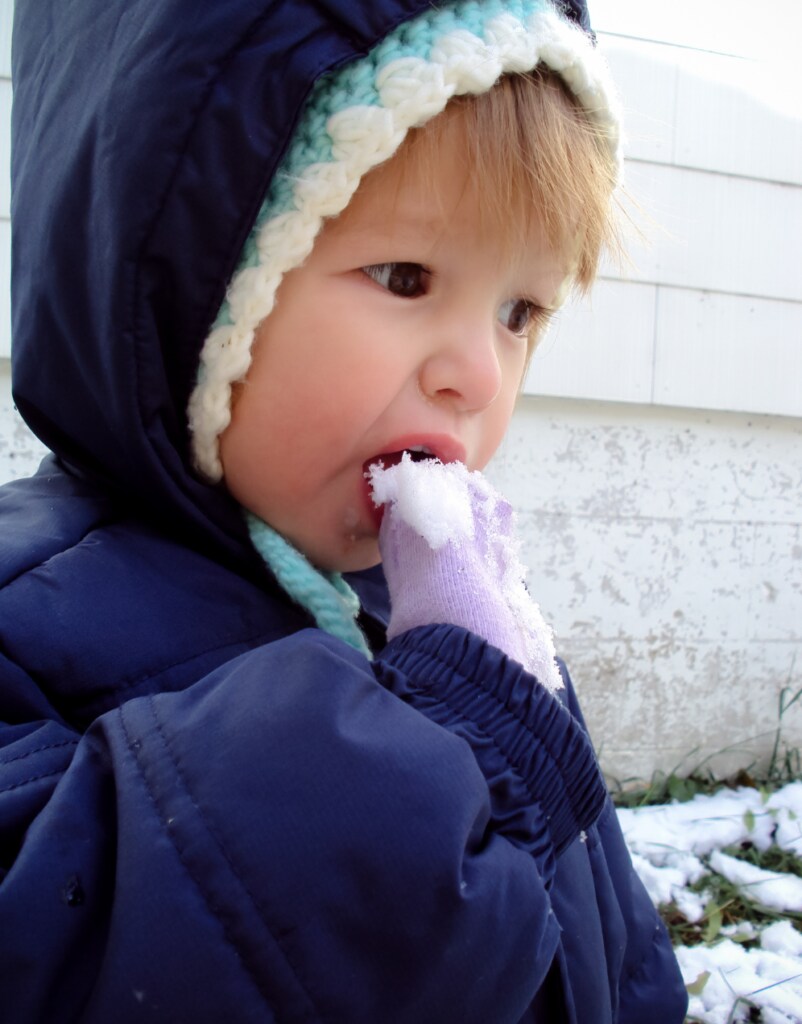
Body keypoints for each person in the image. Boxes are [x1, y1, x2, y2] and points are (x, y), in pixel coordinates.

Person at [0, 0, 688, 1020]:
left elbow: (612, 953)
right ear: (190, 289)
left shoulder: (472, 624)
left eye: (519, 312)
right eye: (406, 277)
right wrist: (456, 737)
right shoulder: (28, 630)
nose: (474, 373)